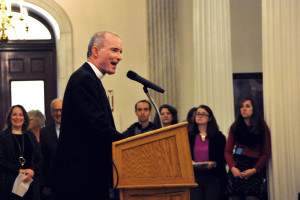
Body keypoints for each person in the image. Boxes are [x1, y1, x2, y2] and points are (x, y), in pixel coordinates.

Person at [51, 31, 124, 200]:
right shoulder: (84, 79)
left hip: (86, 177)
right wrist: (126, 142)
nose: (119, 57)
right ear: (96, 51)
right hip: (80, 180)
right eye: (114, 50)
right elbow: (97, 126)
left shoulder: (91, 79)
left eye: (121, 52)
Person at [225, 97, 271, 200]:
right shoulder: (235, 127)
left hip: (253, 167)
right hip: (237, 167)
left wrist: (255, 170)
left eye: (247, 106)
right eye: (241, 106)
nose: (243, 109)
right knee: (235, 197)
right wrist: (232, 168)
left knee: (252, 197)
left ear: (254, 109)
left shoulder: (262, 127)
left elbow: (266, 153)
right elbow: (227, 151)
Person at [0, 105, 42, 200]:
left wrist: (32, 171)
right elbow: (1, 161)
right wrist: (20, 170)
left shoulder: (31, 136)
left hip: (30, 184)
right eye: (14, 114)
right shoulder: (2, 137)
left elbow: (39, 159)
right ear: (10, 118)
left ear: (25, 118)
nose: (18, 117)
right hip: (9, 185)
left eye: (21, 115)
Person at [188, 105, 227, 200]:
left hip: (213, 176)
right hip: (195, 176)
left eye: (203, 114)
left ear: (209, 118)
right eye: (198, 114)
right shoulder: (189, 136)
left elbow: (224, 157)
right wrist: (190, 162)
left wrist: (214, 164)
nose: (200, 116)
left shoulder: (218, 137)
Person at [39, 98, 63, 200]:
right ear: (51, 112)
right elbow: (42, 160)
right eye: (55, 110)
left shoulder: (75, 130)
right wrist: (45, 184)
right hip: (51, 187)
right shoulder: (44, 132)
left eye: (61, 110)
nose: (58, 113)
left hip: (73, 184)